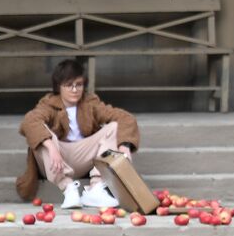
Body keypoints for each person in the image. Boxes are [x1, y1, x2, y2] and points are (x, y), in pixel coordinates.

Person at [15, 59, 141, 209]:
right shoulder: (49, 103)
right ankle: (68, 189)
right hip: (56, 160)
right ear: (59, 87)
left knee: (113, 127)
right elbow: (29, 121)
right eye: (69, 85)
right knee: (42, 133)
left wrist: (124, 145)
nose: (75, 90)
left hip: (83, 157)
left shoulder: (89, 102)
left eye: (79, 85)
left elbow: (125, 118)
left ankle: (96, 188)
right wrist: (51, 147)